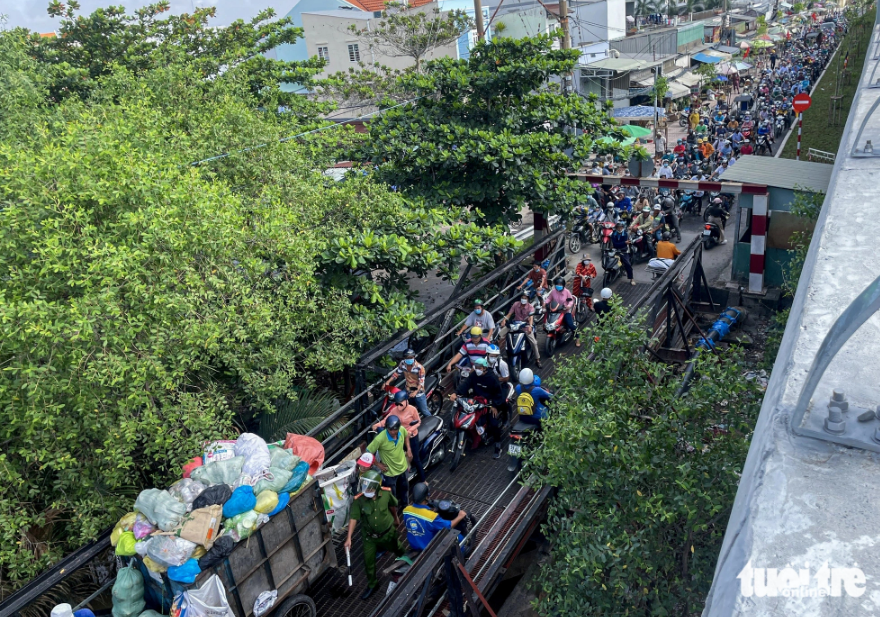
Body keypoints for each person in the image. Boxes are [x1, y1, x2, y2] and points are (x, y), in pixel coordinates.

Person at [345, 469, 406, 600]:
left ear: (377, 487)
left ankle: (409, 570)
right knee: (368, 562)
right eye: (364, 486)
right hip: (369, 537)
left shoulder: (386, 494)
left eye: (369, 487)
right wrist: (349, 537)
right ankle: (373, 584)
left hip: (387, 533)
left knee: (400, 550)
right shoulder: (359, 500)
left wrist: (396, 518)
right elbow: (354, 518)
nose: (366, 490)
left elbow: (392, 506)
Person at [450, 357, 508, 459]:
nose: (477, 369)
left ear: (485, 368)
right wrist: (455, 393)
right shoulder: (474, 375)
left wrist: (494, 405)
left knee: (494, 423)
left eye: (479, 368)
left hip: (489, 403)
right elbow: (465, 384)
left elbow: (498, 393)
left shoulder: (492, 378)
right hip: (476, 401)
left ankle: (498, 445)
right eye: (476, 367)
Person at [373, 392, 425, 483]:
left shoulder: (412, 410)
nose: (398, 406)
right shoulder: (394, 410)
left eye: (400, 403)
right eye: (397, 403)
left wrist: (410, 431)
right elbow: (386, 420)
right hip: (399, 437)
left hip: (411, 437)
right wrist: (377, 425)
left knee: (415, 459)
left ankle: (423, 480)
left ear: (406, 401)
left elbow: (418, 422)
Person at [366, 414, 413, 508]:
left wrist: (408, 448)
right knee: (392, 495)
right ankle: (394, 512)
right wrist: (378, 464)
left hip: (403, 468)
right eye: (390, 429)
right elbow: (368, 452)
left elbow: (406, 435)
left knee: (405, 489)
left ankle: (405, 506)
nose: (392, 431)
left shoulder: (402, 430)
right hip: (389, 473)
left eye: (395, 429)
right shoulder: (380, 439)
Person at [403, 483, 467, 551]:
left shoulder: (406, 510)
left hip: (414, 544)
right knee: (459, 538)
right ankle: (460, 559)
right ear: (426, 497)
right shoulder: (431, 517)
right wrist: (460, 516)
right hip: (428, 547)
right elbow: (449, 525)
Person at [498, 291, 542, 368]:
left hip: (525, 326)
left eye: (525, 298)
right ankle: (499, 355)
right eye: (522, 298)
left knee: (534, 343)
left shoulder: (530, 307)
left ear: (528, 299)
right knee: (500, 335)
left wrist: (530, 326)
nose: (523, 299)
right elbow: (509, 314)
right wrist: (504, 320)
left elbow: (531, 317)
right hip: (515, 324)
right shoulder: (516, 304)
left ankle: (537, 359)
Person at [386, 349, 432, 417]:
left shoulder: (420, 368)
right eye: (407, 358)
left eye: (411, 358)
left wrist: (415, 392)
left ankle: (434, 424)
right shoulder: (402, 363)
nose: (409, 359)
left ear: (414, 357)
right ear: (404, 358)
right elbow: (397, 373)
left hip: (418, 392)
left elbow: (421, 382)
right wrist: (388, 382)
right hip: (407, 389)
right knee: (400, 404)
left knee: (424, 412)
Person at [544, 275, 580, 346]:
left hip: (565, 311)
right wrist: (545, 303)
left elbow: (571, 301)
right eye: (557, 284)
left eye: (560, 284)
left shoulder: (567, 292)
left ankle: (577, 338)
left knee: (570, 324)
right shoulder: (553, 291)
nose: (558, 286)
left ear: (563, 285)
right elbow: (549, 299)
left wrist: (568, 306)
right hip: (555, 311)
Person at [610, 221, 635, 285]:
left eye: (620, 227)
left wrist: (619, 244)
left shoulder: (625, 234)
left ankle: (631, 278)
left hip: (623, 251)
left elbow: (619, 245)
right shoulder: (613, 234)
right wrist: (623, 243)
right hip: (615, 250)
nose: (619, 229)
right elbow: (615, 244)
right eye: (618, 227)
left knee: (628, 264)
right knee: (610, 261)